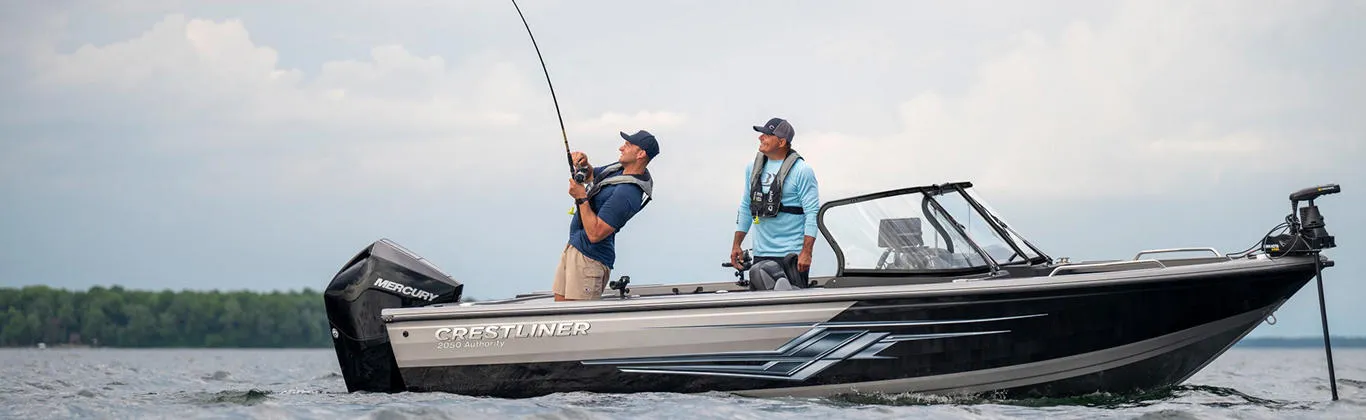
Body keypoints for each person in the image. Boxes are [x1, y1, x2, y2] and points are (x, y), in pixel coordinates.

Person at [553, 130, 659, 301]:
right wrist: (584, 164)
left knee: (577, 321)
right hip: (574, 249)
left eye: (628, 145)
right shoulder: (619, 170)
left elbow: (595, 234)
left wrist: (581, 197)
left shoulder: (628, 193)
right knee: (559, 316)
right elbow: (591, 175)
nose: (621, 148)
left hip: (589, 260)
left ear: (641, 154)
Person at [731, 117, 820, 289]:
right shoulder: (752, 168)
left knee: (793, 311)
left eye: (767, 134)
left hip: (791, 256)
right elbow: (745, 206)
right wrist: (737, 244)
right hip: (760, 254)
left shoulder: (802, 171)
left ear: (781, 142)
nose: (760, 138)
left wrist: (806, 252)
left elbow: (812, 213)